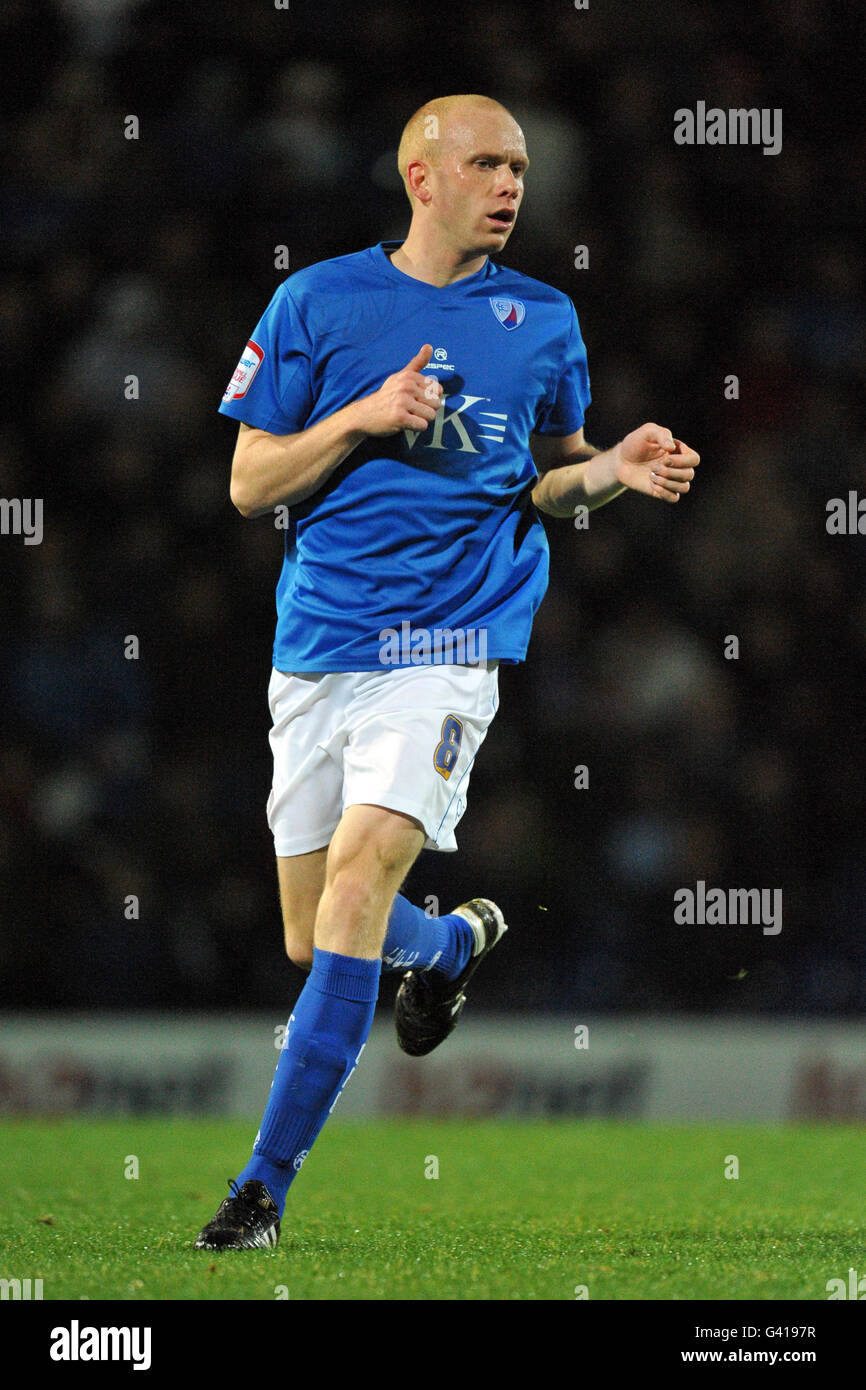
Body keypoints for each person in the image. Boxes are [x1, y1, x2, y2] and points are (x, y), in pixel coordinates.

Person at [195, 93, 700, 1250]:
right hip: (318, 643)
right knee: (314, 932)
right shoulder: (316, 300)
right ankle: (454, 944)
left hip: (447, 647)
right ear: (419, 177)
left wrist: (611, 466)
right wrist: (364, 417)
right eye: (484, 164)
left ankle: (259, 1192)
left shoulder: (543, 318)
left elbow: (547, 479)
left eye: (518, 166)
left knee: (360, 886)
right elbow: (247, 482)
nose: (510, 186)